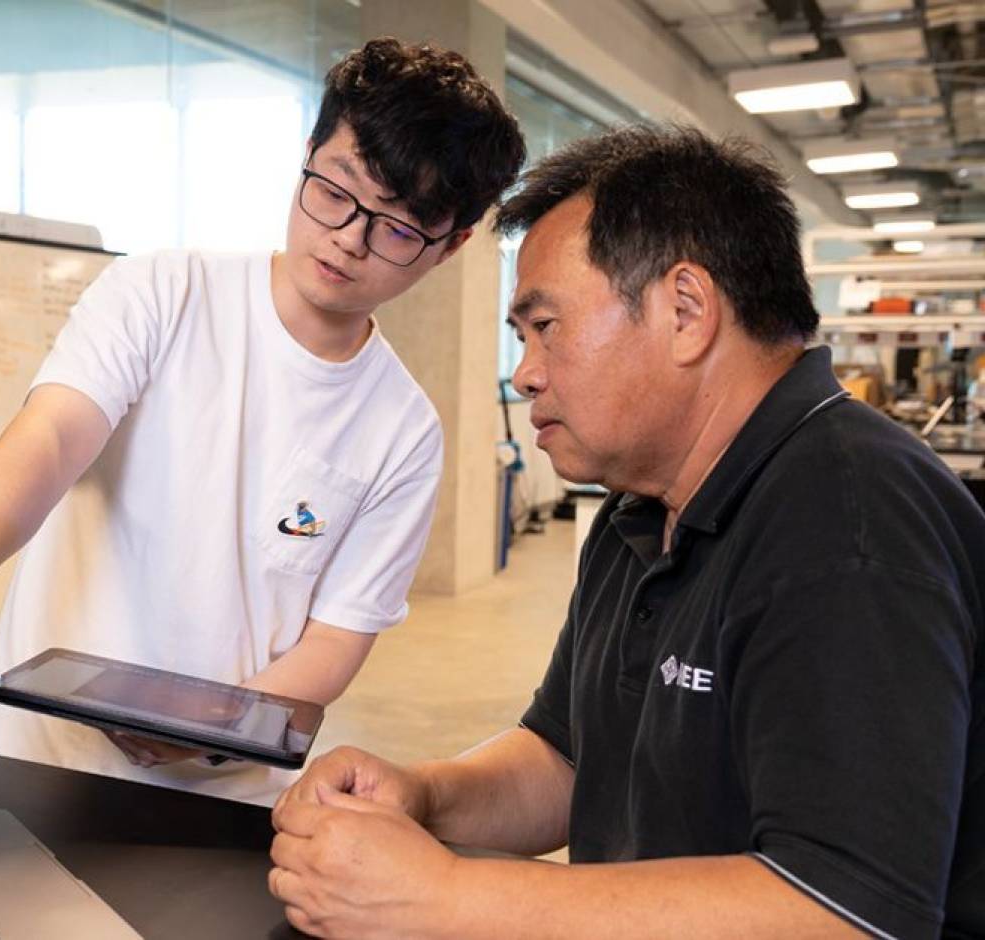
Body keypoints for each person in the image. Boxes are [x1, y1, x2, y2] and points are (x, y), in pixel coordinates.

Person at [267, 124, 984, 938]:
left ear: (685, 312)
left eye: (547, 327)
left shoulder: (850, 521)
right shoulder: (639, 510)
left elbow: (845, 911)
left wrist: (445, 899)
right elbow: (568, 759)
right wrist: (425, 797)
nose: (526, 371)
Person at [0, 38, 526, 804]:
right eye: (336, 192)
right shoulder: (162, 293)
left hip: (220, 803)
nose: (348, 238)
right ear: (308, 153)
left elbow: (335, 641)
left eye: (398, 229)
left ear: (453, 245)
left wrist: (208, 726)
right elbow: (51, 438)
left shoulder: (403, 432)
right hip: (25, 765)